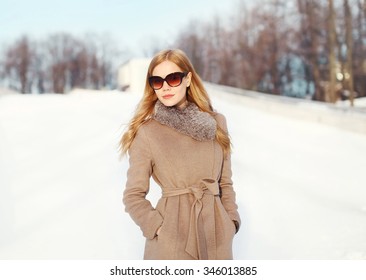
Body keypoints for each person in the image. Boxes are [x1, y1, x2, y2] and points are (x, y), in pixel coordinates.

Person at [120, 49, 241, 260]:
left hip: (216, 236)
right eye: (157, 81)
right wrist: (158, 228)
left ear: (188, 79)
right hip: (171, 243)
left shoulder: (217, 123)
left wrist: (231, 221)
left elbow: (225, 183)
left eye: (173, 78)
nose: (165, 86)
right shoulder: (147, 132)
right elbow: (133, 196)